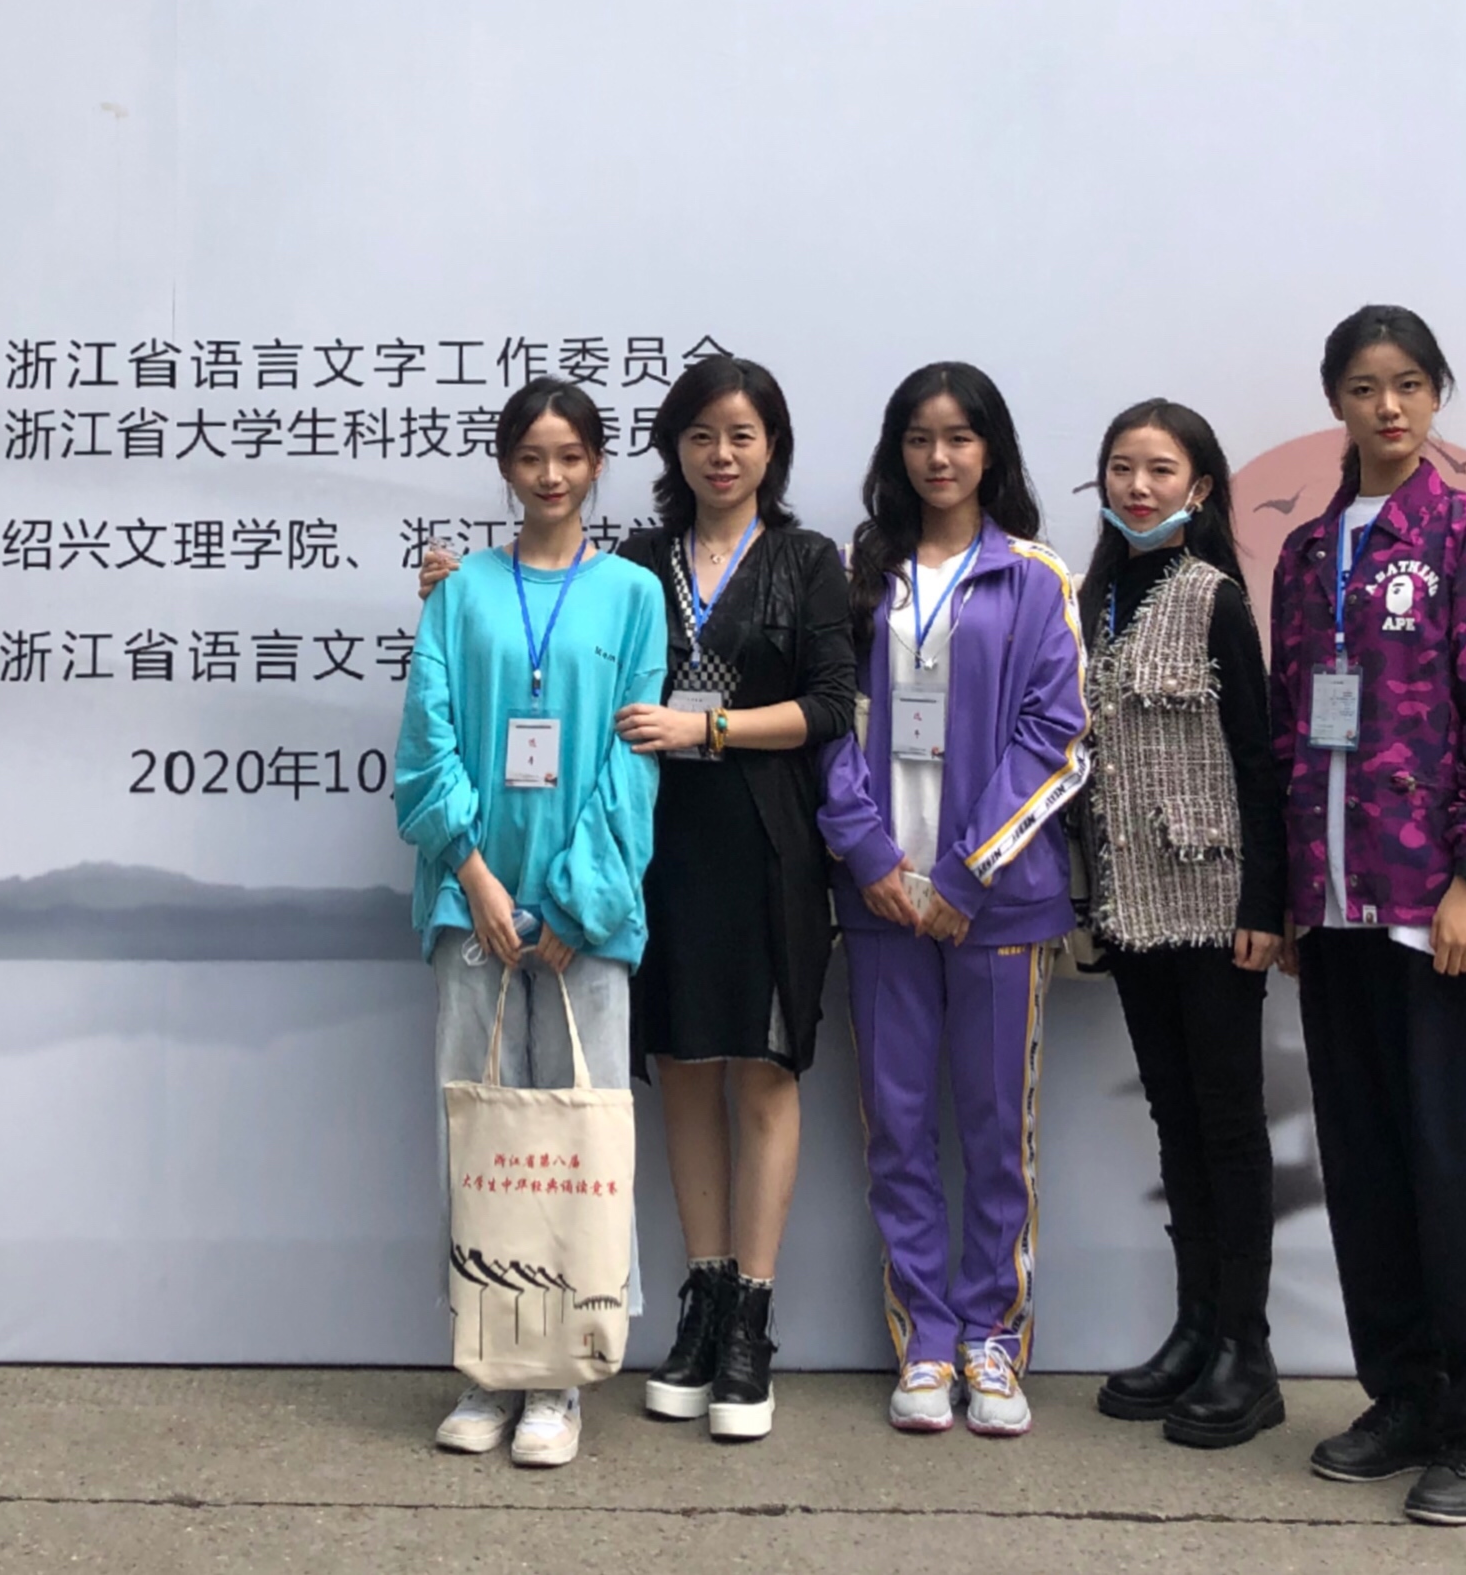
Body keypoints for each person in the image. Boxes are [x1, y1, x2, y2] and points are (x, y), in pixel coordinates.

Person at [1270, 306, 1466, 1526]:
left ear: (1436, 396)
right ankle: (1403, 1396)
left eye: (1406, 385)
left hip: (1438, 908)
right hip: (1334, 911)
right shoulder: (1303, 555)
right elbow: (1289, 730)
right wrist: (1291, 898)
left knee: (1456, 1169)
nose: (1385, 407)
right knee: (1366, 1165)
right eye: (1361, 386)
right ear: (1334, 401)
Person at [394, 376, 666, 1470]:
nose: (549, 475)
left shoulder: (633, 594)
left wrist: (576, 900)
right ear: (505, 467)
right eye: (529, 457)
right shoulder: (457, 591)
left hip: (583, 922)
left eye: (569, 455)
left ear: (596, 463)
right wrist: (475, 877)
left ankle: (560, 1377)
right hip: (474, 909)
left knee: (578, 1143)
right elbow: (426, 744)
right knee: (482, 1136)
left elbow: (633, 761)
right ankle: (486, 1364)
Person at [816, 362, 1088, 1440]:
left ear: (990, 450)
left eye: (959, 436)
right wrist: (870, 857)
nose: (939, 457)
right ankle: (924, 1340)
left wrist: (968, 872)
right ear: (896, 451)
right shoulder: (856, 574)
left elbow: (1056, 735)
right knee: (896, 1128)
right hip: (881, 901)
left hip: (997, 908)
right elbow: (825, 721)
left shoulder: (1032, 576)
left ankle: (992, 1338)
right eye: (920, 437)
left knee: (994, 1131)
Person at [603, 356, 858, 1443]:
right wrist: (450, 588)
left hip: (766, 844)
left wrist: (705, 726)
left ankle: (752, 1323)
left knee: (761, 1069)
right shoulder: (635, 558)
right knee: (680, 1065)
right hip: (658, 843)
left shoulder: (807, 559)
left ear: (772, 449)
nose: (721, 454)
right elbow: (569, 643)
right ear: (675, 445)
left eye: (742, 435)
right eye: (702, 433)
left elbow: (831, 704)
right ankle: (700, 1305)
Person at [1071, 400, 1289, 1448]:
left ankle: (1247, 1350)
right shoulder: (1091, 597)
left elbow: (1257, 755)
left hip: (1212, 902)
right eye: (1121, 468)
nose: (1138, 486)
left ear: (1199, 488)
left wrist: (1264, 906)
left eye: (1159, 469)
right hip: (1129, 903)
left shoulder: (1213, 597)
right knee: (1173, 1119)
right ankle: (1194, 1328)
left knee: (1227, 1122)